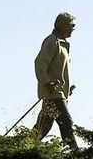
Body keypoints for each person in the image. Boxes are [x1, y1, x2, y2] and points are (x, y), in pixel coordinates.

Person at [33, 11, 77, 147]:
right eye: (72, 25)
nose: (74, 28)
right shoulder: (52, 41)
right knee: (66, 121)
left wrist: (67, 87)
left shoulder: (64, 44)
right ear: (64, 26)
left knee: (44, 126)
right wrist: (47, 83)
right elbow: (40, 63)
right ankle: (75, 153)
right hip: (53, 93)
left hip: (59, 92)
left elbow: (58, 69)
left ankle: (22, 146)